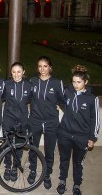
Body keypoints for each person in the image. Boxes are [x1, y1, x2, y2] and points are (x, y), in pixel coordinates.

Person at [56, 65, 100, 195]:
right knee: (64, 160)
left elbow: (95, 119)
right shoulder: (67, 92)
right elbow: (61, 101)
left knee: (78, 163)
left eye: (79, 82)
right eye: (74, 81)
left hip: (82, 137)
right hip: (65, 133)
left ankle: (77, 184)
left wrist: (92, 137)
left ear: (85, 82)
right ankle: (62, 181)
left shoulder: (92, 99)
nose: (76, 85)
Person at [28, 56, 65, 189]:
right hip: (35, 120)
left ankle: (47, 173)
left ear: (50, 67)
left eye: (45, 66)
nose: (42, 69)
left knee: (49, 150)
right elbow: (26, 98)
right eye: (40, 66)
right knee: (33, 148)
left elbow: (63, 101)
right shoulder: (32, 81)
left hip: (51, 122)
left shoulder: (57, 82)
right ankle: (33, 170)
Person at [1, 62, 33, 182]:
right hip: (8, 118)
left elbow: (31, 99)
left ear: (23, 72)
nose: (16, 74)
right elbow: (2, 97)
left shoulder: (29, 85)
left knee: (19, 144)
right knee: (7, 143)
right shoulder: (6, 84)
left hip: (22, 119)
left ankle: (15, 166)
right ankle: (7, 166)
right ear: (11, 73)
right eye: (13, 72)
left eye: (19, 72)